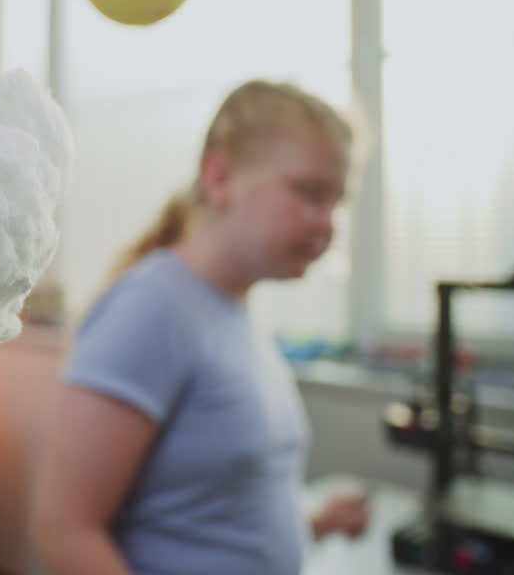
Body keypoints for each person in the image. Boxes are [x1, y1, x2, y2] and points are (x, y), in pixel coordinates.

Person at [31, 80, 369, 575]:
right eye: (310, 194)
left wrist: (313, 525)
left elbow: (212, 516)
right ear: (219, 177)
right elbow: (64, 531)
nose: (329, 224)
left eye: (337, 202)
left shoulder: (233, 310)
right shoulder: (151, 308)